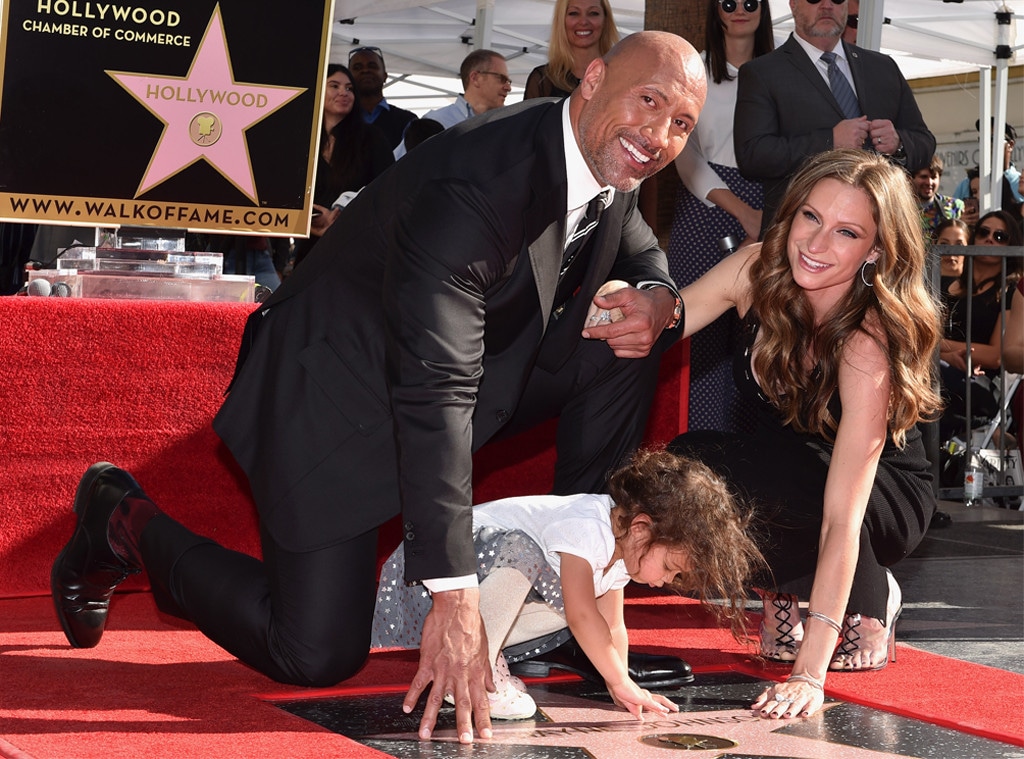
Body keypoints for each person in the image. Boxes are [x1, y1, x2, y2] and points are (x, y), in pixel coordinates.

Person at [51, 31, 707, 745]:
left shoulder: (599, 158)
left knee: (628, 342)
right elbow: (435, 390)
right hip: (333, 394)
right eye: (650, 102)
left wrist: (659, 302)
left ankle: (581, 569)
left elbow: (638, 246)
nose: (659, 134)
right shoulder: (479, 182)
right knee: (315, 650)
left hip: (463, 378)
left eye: (682, 124)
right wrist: (454, 596)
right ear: (595, 78)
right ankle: (120, 518)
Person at [666, 149, 942, 719]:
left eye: (846, 232)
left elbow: (843, 512)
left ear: (876, 251)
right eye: (810, 217)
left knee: (789, 484)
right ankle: (796, 586)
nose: (815, 244)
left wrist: (808, 674)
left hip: (879, 491)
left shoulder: (869, 340)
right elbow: (668, 322)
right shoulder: (755, 269)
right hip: (791, 464)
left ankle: (870, 593)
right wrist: (612, 308)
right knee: (685, 467)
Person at [372, 448, 763, 720]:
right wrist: (619, 679)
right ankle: (479, 670)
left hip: (483, 596)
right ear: (642, 527)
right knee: (550, 578)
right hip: (435, 580)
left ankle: (486, 660)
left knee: (582, 610)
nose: (664, 582)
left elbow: (612, 628)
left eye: (674, 579)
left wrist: (622, 685)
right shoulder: (587, 526)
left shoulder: (622, 559)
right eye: (669, 568)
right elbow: (580, 615)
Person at [734, 0, 934, 237]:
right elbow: (752, 156)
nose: (827, 5)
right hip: (802, 236)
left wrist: (899, 142)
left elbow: (925, 142)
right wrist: (829, 142)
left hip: (880, 232)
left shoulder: (882, 68)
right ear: (793, 4)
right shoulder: (763, 73)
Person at [667, 0, 774, 434]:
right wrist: (743, 211)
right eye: (729, 2)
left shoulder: (780, 71)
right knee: (700, 344)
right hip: (704, 206)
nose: (741, 10)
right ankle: (696, 452)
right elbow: (683, 151)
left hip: (772, 203)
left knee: (760, 338)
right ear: (717, 11)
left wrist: (767, 214)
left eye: (751, 2)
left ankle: (751, 460)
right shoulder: (695, 70)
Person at [293, 63, 394, 267]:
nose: (343, 93)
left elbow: (388, 191)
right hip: (310, 249)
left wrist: (343, 216)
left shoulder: (371, 138)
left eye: (349, 88)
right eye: (335, 86)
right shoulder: (300, 139)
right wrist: (311, 221)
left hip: (358, 247)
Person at [938, 210, 1023, 444]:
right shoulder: (946, 283)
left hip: (981, 384)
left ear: (1011, 244)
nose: (989, 239)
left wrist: (940, 346)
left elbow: (996, 355)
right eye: (984, 232)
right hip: (939, 368)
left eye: (1000, 236)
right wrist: (947, 355)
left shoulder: (1011, 290)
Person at [394, 49, 511, 159]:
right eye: (501, 79)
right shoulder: (436, 122)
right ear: (475, 78)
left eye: (508, 81)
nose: (508, 87)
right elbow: (398, 167)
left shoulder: (508, 125)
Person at [524, 0, 619, 100]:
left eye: (593, 13)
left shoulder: (621, 75)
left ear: (605, 20)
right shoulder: (542, 79)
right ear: (561, 20)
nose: (583, 22)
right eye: (574, 13)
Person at [348, 46, 418, 150]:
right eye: (357, 68)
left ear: (385, 76)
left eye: (372, 66)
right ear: (348, 79)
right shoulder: (337, 119)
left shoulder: (407, 121)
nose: (365, 70)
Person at [914, 154, 964, 241]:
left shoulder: (955, 206)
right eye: (923, 177)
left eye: (933, 177)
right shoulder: (901, 209)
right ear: (911, 178)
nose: (929, 182)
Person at [933, 217, 969, 289]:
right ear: (934, 244)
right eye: (944, 244)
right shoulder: (919, 284)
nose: (951, 253)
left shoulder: (976, 287)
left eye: (959, 245)